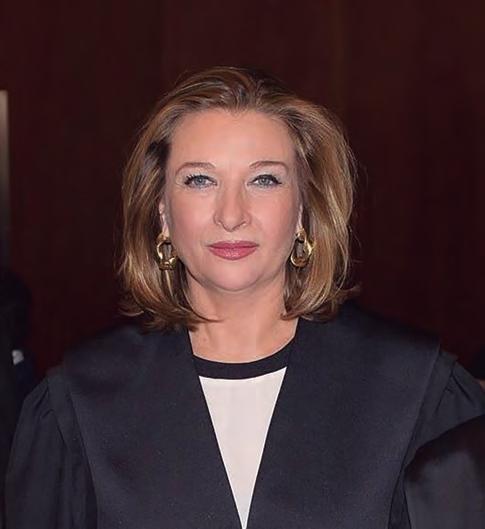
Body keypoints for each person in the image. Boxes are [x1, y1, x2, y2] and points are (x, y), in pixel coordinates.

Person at [4, 67, 485, 529]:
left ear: (304, 207)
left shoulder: (418, 391)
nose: (231, 214)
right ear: (162, 210)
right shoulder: (78, 405)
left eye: (264, 180)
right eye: (200, 180)